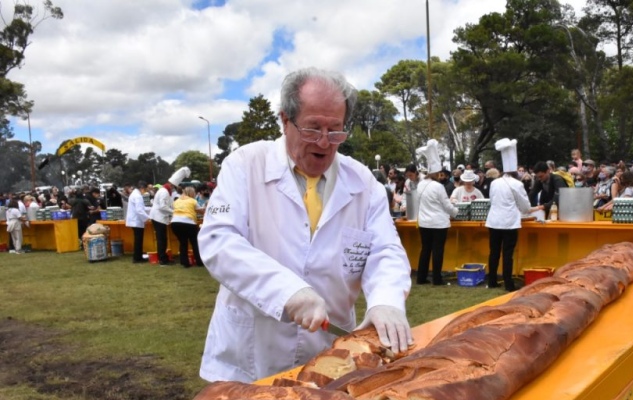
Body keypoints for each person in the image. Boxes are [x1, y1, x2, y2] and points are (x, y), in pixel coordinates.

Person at [197, 67, 412, 383]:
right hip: (251, 356)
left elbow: (385, 252)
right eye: (312, 129)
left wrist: (386, 302)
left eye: (335, 131)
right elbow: (219, 240)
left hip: (327, 357)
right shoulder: (245, 165)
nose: (325, 143)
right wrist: (286, 291)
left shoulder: (363, 182)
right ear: (285, 121)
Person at [486, 139, 533, 292]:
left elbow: (492, 200)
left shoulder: (494, 183)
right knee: (507, 254)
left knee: (494, 252)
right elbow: (525, 207)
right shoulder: (517, 184)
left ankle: (492, 280)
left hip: (493, 221)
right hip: (509, 223)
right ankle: (508, 283)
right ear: (515, 171)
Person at [415, 140, 459, 285]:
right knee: (437, 251)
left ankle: (421, 277)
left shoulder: (421, 184)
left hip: (424, 222)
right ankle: (437, 278)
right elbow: (446, 205)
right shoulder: (438, 187)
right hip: (438, 223)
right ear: (436, 173)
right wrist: (456, 211)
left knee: (425, 250)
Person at [149, 167, 189, 266]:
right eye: (173, 187)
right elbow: (163, 206)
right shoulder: (164, 191)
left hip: (160, 217)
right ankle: (162, 259)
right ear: (171, 185)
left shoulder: (165, 190)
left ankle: (164, 258)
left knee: (163, 239)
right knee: (161, 239)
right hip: (158, 217)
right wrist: (174, 212)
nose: (173, 189)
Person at [171, 185, 205, 268]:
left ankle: (184, 262)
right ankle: (199, 261)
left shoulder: (176, 201)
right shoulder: (193, 201)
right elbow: (200, 210)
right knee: (194, 242)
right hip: (188, 222)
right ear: (192, 193)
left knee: (183, 243)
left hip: (175, 223)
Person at [125, 181, 150, 264]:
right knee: (138, 240)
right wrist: (146, 219)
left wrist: (151, 209)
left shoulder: (134, 194)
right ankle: (137, 258)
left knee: (138, 239)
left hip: (135, 220)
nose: (145, 192)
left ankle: (138, 256)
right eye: (145, 190)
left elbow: (141, 208)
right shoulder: (138, 196)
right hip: (136, 221)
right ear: (142, 188)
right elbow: (139, 210)